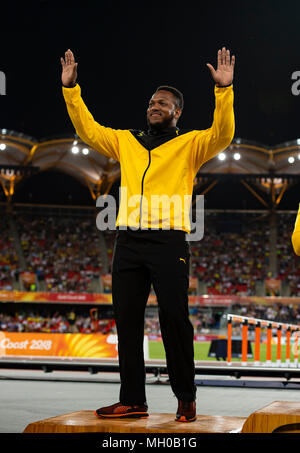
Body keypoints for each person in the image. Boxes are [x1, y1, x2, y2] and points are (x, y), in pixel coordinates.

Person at [61, 47, 235, 422]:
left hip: (168, 241)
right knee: (127, 320)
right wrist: (71, 90)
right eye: (151, 102)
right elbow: (88, 130)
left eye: (163, 103)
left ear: (177, 112)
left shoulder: (190, 145)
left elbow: (223, 134)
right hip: (128, 242)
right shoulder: (127, 141)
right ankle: (133, 400)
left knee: (175, 318)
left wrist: (224, 91)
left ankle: (185, 398)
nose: (153, 106)